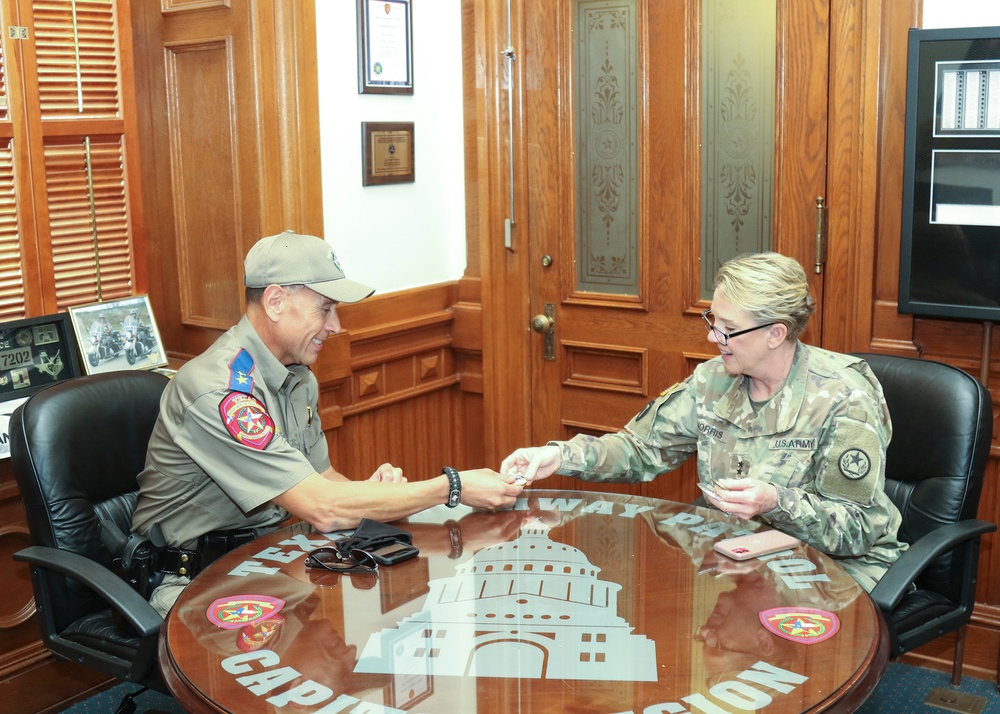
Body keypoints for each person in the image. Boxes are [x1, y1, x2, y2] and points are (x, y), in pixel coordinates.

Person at [131, 230, 523, 614]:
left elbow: (324, 482)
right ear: (275, 301)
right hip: (193, 580)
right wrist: (452, 487)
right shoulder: (221, 392)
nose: (335, 326)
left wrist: (376, 499)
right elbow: (323, 508)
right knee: (291, 669)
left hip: (266, 557)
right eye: (325, 308)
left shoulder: (297, 374)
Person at [500, 252, 906, 592]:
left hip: (835, 564)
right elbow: (642, 449)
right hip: (740, 549)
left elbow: (858, 529)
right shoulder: (713, 380)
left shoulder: (844, 397)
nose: (714, 339)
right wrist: (560, 455)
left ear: (775, 334)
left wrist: (775, 502)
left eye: (729, 330)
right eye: (714, 322)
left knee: (774, 637)